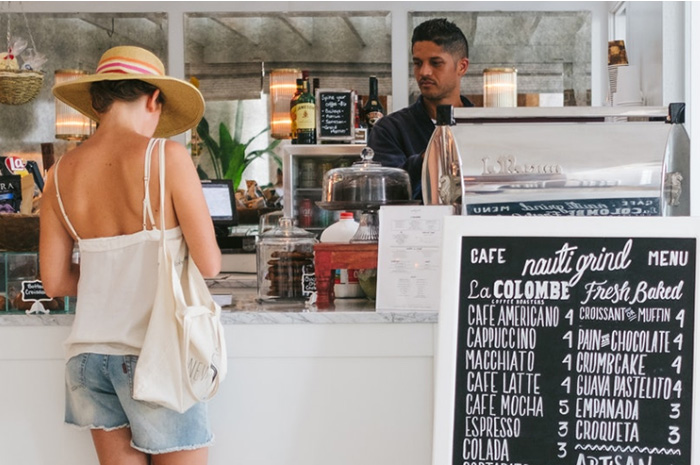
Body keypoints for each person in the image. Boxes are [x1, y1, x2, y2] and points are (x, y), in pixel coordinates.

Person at [40, 46, 221, 465]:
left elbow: (55, 282)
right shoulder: (168, 158)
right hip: (155, 355)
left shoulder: (59, 174)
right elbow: (209, 263)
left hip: (88, 362)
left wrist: (111, 276)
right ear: (154, 99)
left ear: (98, 101)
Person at [368, 18, 473, 200]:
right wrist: (431, 157)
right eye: (417, 63)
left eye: (435, 63)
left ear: (462, 66)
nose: (424, 72)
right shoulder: (389, 130)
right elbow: (385, 196)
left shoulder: (482, 128)